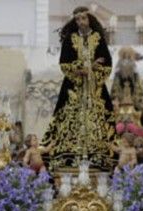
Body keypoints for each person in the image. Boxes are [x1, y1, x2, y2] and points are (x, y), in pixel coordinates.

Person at [41, 6, 116, 171]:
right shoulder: (70, 39)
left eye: (83, 18)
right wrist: (82, 69)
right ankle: (68, 158)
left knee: (102, 120)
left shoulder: (98, 38)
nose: (81, 22)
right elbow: (64, 63)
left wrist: (94, 71)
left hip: (94, 88)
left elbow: (107, 64)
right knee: (66, 119)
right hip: (73, 86)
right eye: (77, 19)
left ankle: (99, 157)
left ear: (89, 19)